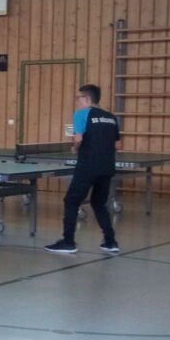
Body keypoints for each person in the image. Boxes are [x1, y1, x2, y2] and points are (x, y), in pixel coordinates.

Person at [45, 84, 120, 255]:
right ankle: (110, 242)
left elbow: (78, 138)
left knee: (71, 201)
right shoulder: (111, 117)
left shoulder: (81, 114)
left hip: (87, 166)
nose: (77, 101)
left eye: (79, 98)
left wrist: (75, 147)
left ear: (86, 99)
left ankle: (68, 242)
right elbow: (118, 145)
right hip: (107, 167)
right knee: (99, 203)